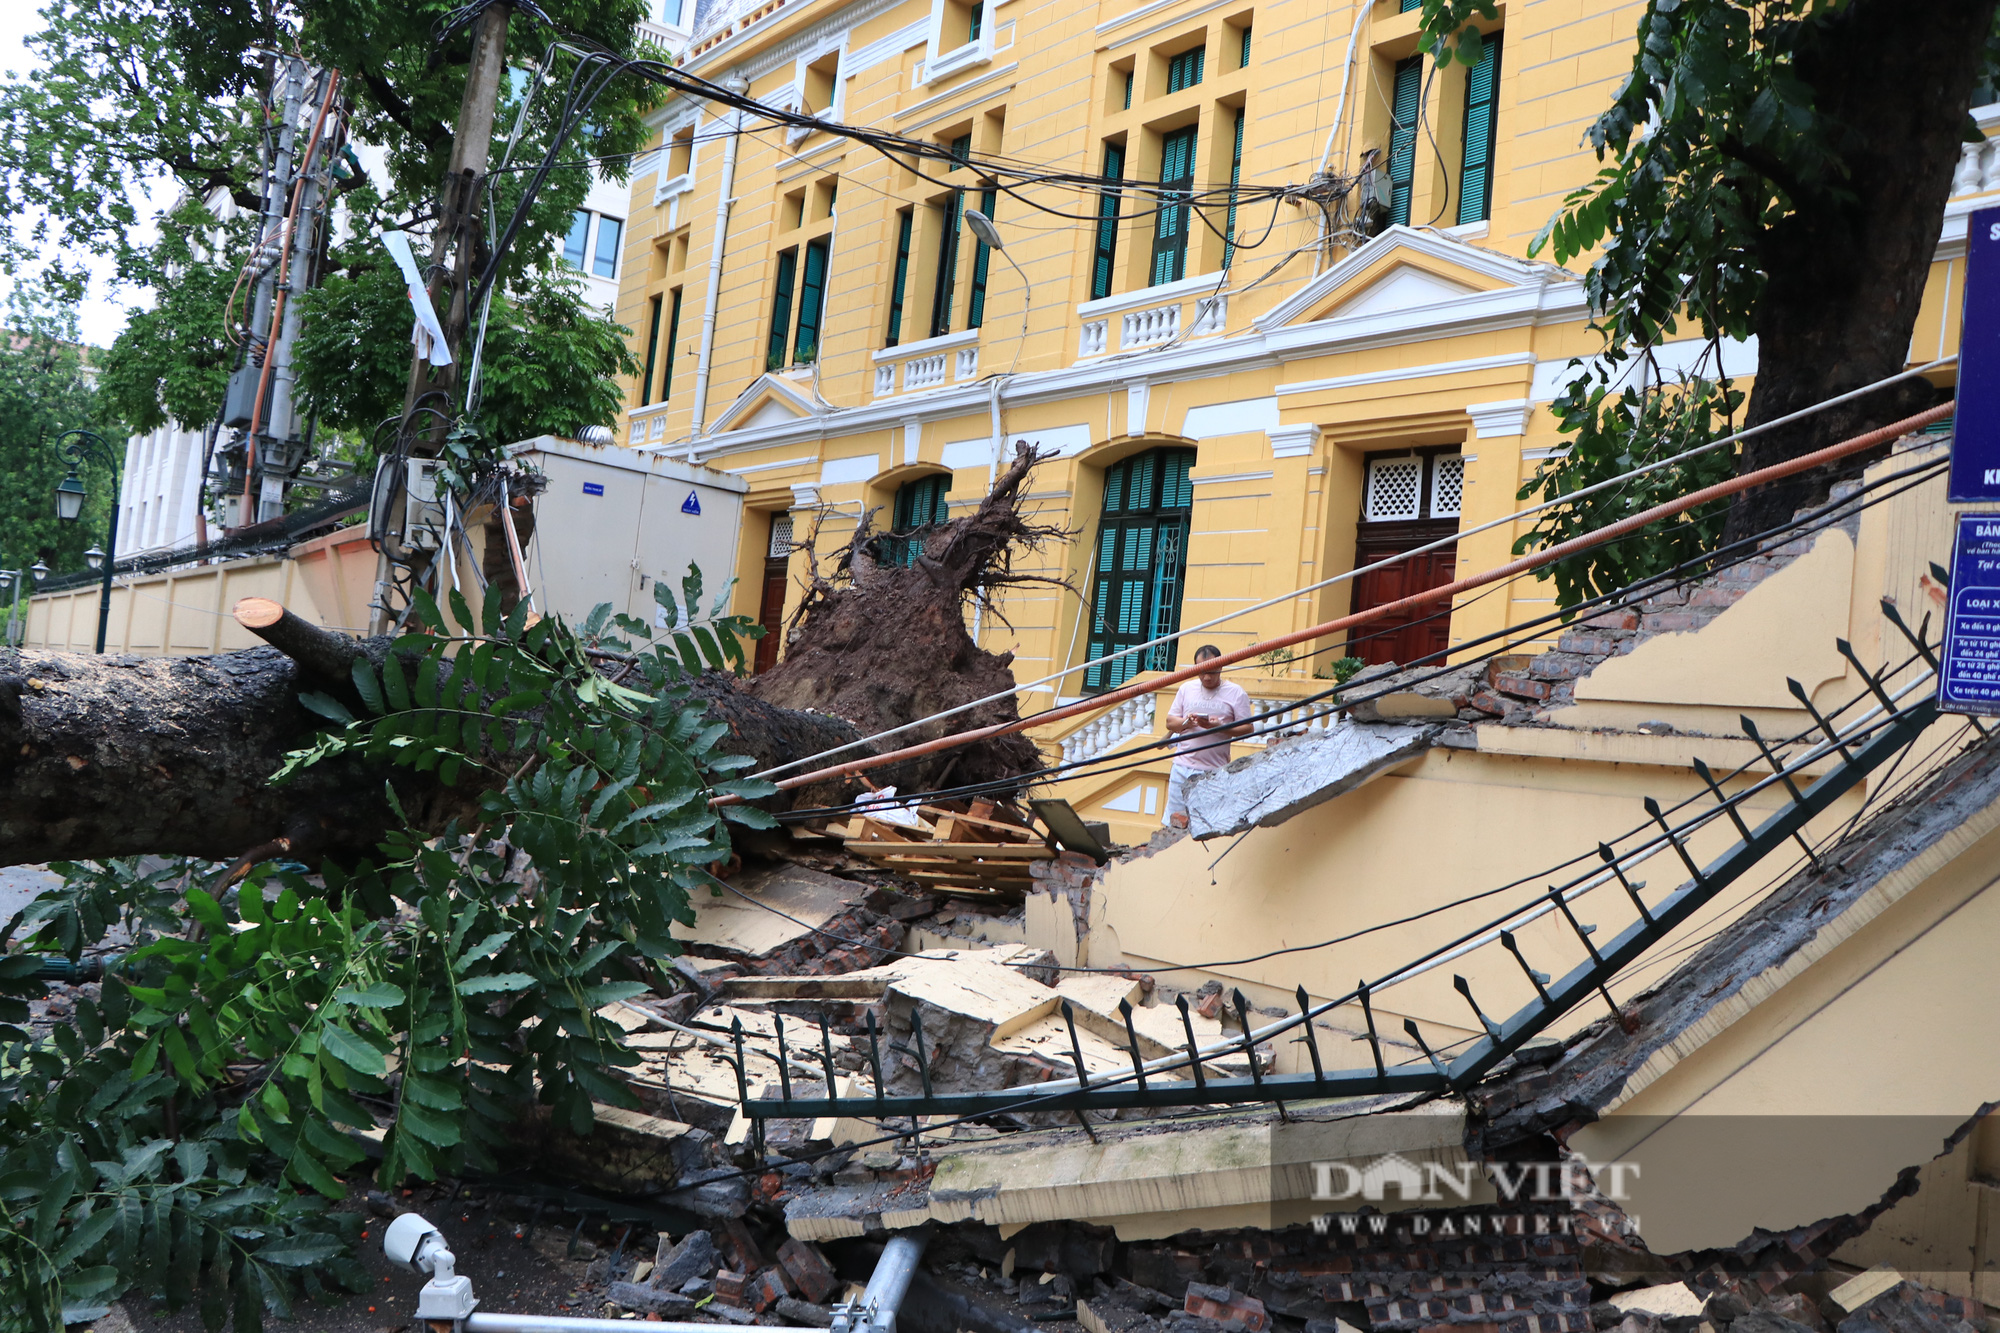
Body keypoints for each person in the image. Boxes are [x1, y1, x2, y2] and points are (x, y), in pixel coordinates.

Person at [1162, 645, 1253, 829]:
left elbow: (1248, 728)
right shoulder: (1186, 689)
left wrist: (1219, 726)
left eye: (1212, 672)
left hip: (1214, 771)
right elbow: (1170, 722)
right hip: (1182, 767)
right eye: (1201, 672)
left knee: (1209, 825)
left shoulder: (1236, 693)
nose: (1207, 677)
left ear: (1221, 666)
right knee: (1173, 825)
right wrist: (1187, 723)